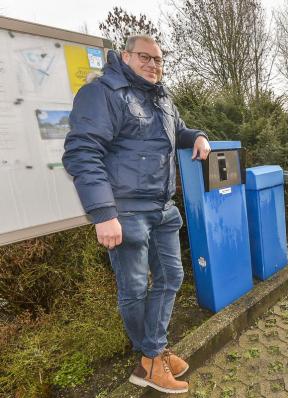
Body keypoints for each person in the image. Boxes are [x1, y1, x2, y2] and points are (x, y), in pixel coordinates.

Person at [63, 35, 211, 394]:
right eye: (145, 57)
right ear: (125, 56)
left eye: (159, 60)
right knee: (133, 289)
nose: (154, 65)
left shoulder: (161, 97)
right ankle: (150, 362)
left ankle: (153, 351)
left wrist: (198, 137)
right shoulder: (102, 93)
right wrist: (103, 213)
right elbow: (82, 152)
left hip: (162, 209)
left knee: (171, 278)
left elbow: (176, 132)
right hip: (126, 211)